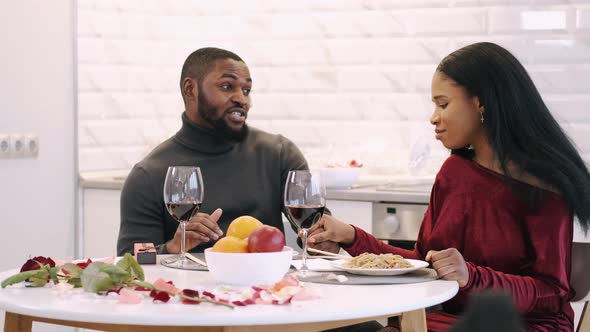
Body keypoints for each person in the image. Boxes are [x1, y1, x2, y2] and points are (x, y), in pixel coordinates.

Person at [308, 42, 590, 332]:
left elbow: (552, 293)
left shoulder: (544, 185)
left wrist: (471, 276)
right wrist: (353, 238)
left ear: (481, 103)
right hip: (453, 322)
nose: (433, 117)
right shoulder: (454, 173)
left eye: (443, 104)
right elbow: (423, 264)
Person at [117, 47, 309, 255]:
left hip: (270, 287)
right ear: (190, 89)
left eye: (246, 90)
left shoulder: (280, 154)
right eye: (227, 86)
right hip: (187, 287)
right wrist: (172, 247)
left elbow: (314, 232)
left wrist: (323, 240)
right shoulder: (148, 174)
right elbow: (131, 259)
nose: (242, 99)